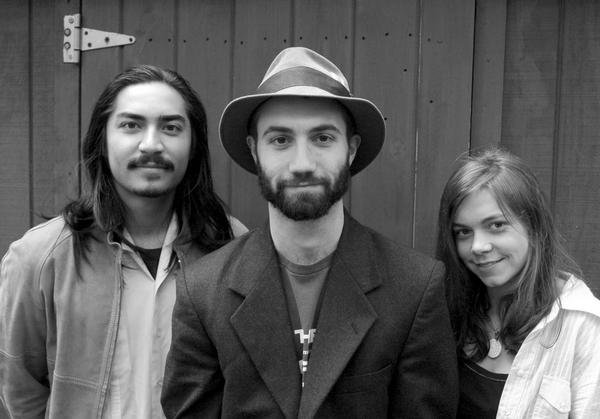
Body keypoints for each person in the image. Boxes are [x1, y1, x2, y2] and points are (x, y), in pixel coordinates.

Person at [161, 47, 458, 418]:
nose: (302, 164)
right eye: (280, 140)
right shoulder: (203, 292)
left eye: (323, 138)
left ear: (351, 149)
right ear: (254, 151)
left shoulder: (414, 288)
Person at [0, 64, 247, 418]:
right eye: (131, 125)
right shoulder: (38, 258)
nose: (151, 145)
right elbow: (21, 389)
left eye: (171, 127)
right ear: (102, 140)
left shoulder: (233, 249)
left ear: (193, 145)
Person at [436, 148, 600, 418]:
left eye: (496, 225)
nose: (478, 246)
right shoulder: (444, 309)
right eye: (463, 232)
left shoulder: (583, 326)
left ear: (533, 226)